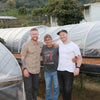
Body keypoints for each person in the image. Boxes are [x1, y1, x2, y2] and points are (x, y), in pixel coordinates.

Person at [57, 30, 82, 100]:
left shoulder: (74, 45)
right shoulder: (59, 44)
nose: (62, 36)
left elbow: (79, 58)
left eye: (63, 34)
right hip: (60, 70)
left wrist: (77, 68)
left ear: (67, 35)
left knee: (68, 89)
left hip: (69, 70)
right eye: (60, 35)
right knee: (62, 89)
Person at [21, 28, 43, 100]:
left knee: (35, 88)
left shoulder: (41, 44)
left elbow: (49, 47)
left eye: (36, 34)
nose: (35, 35)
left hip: (36, 70)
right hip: (28, 70)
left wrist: (55, 45)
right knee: (28, 89)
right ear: (30, 35)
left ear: (38, 35)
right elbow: (23, 57)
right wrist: (24, 69)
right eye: (33, 34)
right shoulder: (26, 45)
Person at [41, 34, 59, 100]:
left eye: (49, 39)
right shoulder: (43, 48)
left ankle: (55, 98)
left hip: (55, 71)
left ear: (51, 40)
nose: (47, 41)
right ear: (44, 41)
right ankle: (48, 98)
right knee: (48, 87)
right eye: (46, 40)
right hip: (47, 71)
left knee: (56, 86)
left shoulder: (56, 47)